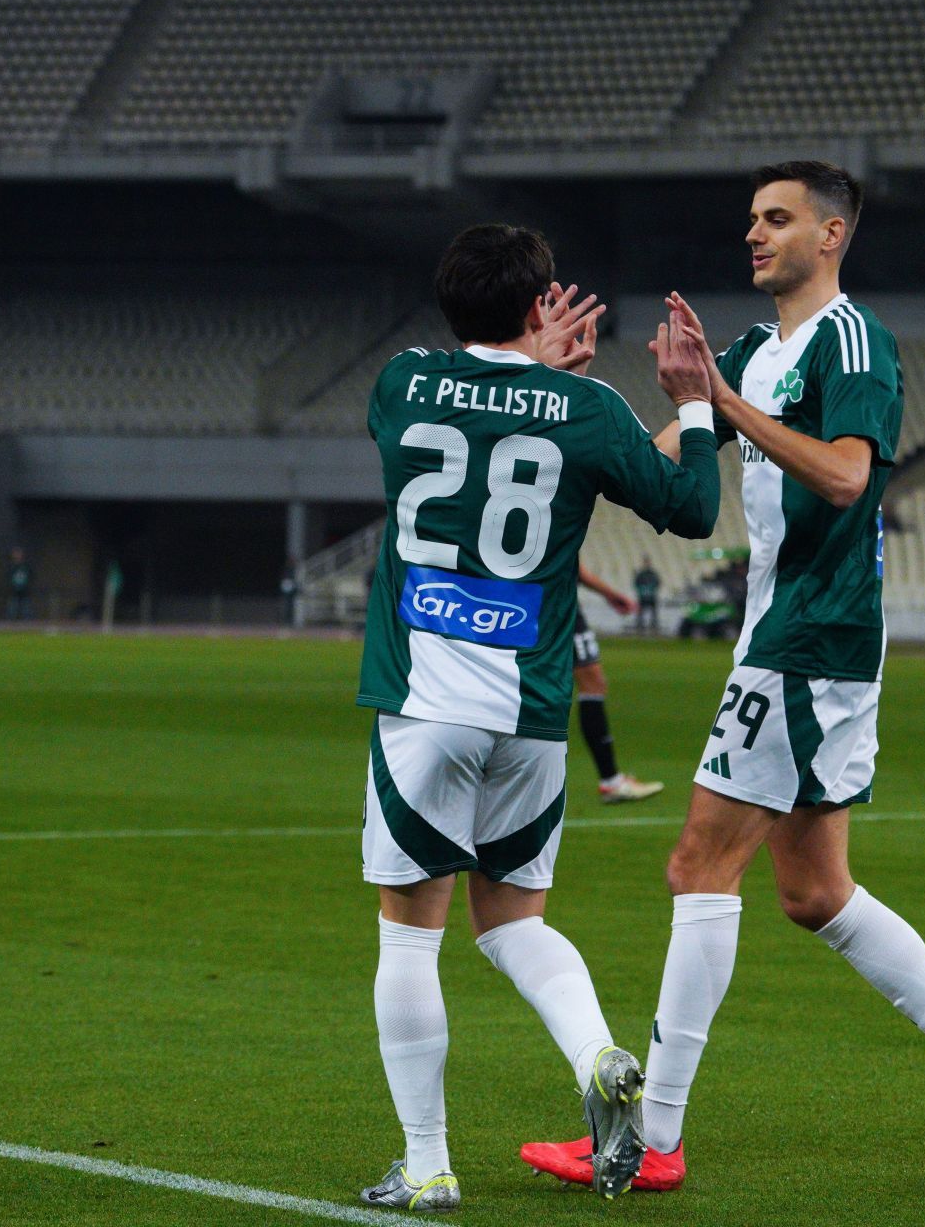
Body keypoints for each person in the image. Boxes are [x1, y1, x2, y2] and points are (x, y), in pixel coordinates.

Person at [523, 161, 925, 1193]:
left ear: (833, 233)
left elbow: (852, 473)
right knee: (815, 891)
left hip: (811, 636)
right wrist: (566, 385)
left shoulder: (850, 341)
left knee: (696, 863)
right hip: (794, 633)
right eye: (751, 220)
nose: (754, 235)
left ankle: (650, 1140)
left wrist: (720, 398)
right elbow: (668, 459)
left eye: (777, 219)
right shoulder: (753, 352)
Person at [353, 224, 721, 1210]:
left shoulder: (402, 383)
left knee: (409, 936)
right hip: (532, 712)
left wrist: (524, 369)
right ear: (537, 308)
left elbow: (481, 422)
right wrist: (690, 396)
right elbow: (690, 505)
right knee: (514, 918)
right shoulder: (588, 409)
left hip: (424, 702)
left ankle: (427, 1160)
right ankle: (600, 1055)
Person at [574, 561, 665, 803]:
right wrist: (611, 594)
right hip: (557, 602)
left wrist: (610, 594)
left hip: (522, 597)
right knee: (591, 683)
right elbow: (573, 563)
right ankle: (611, 780)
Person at [633, 559, 661, 633]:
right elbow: (636, 583)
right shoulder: (641, 574)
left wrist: (651, 588)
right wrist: (641, 590)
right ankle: (640, 625)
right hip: (642, 597)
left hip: (651, 597)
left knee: (653, 612)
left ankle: (654, 625)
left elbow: (658, 583)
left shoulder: (653, 574)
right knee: (641, 612)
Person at [6, 547, 32, 621]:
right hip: (13, 591)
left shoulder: (26, 566)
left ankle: (27, 625)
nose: (17, 556)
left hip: (25, 591)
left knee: (26, 609)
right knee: (12, 608)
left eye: (18, 554)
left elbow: (30, 576)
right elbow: (7, 577)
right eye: (15, 554)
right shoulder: (11, 566)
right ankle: (10, 625)